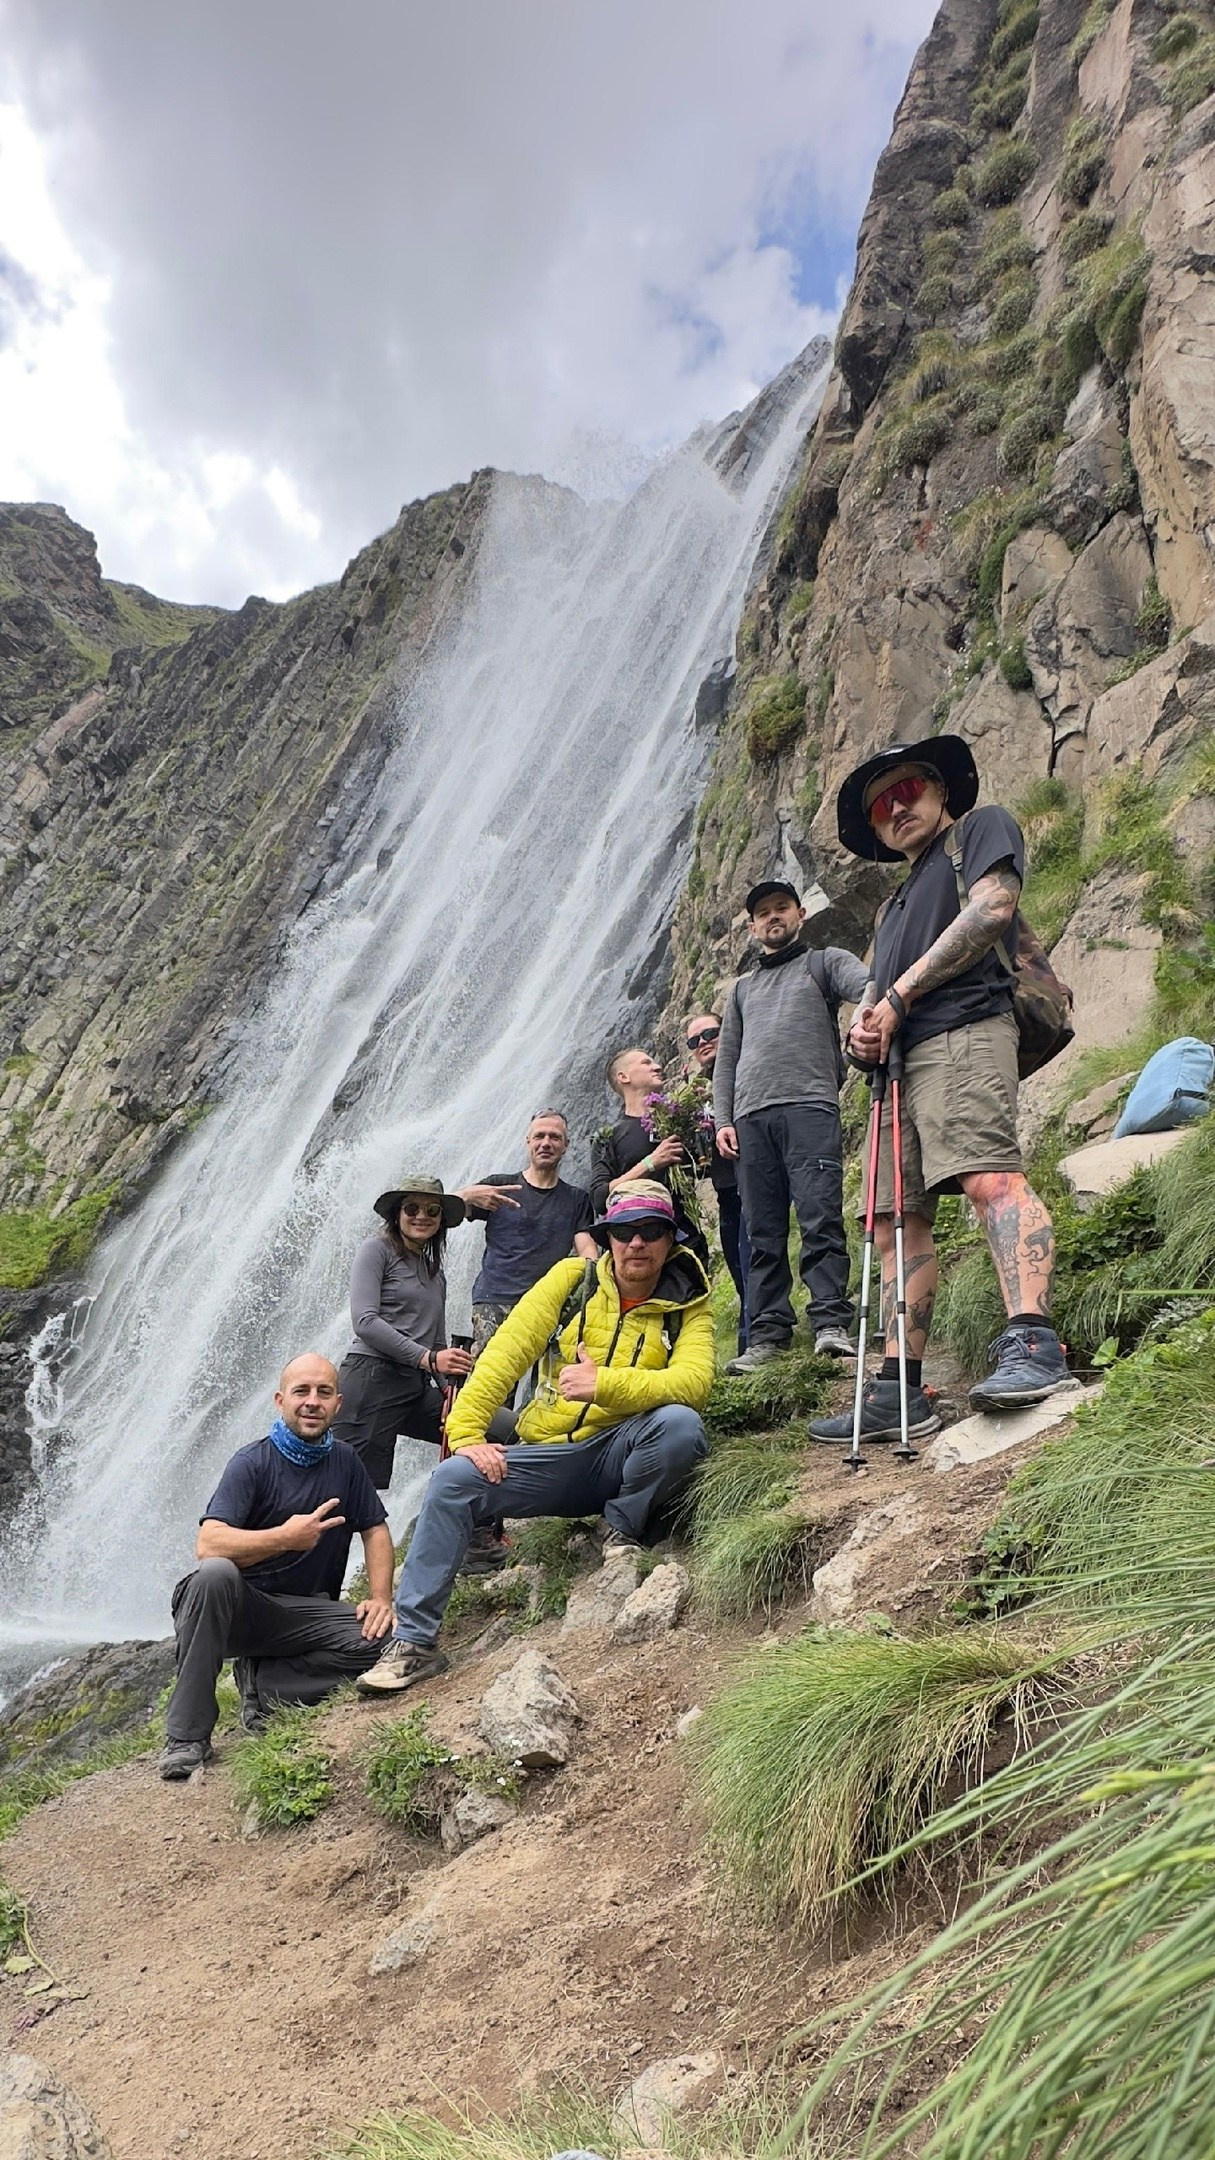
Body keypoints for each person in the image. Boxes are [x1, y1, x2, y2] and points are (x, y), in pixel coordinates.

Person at [809, 734, 1070, 1445]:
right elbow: (872, 996)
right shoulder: (890, 907)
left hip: (964, 1029)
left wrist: (896, 996)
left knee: (989, 1177)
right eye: (880, 806)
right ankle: (899, 1387)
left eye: (907, 790)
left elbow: (992, 910)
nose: (896, 809)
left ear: (940, 789)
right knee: (893, 1223)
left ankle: (1033, 1342)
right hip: (895, 1070)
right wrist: (861, 1033)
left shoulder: (979, 831)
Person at [356, 1183, 714, 1693]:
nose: (637, 1242)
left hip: (626, 1450)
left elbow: (696, 1382)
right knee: (453, 1479)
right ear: (607, 1238)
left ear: (670, 1239)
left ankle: (620, 1529)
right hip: (553, 1457)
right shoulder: (572, 1280)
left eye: (651, 1230)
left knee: (680, 1425)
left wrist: (603, 1384)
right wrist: (467, 1435)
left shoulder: (688, 1300)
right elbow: (506, 1353)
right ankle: (414, 1643)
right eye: (624, 1231)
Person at [159, 1353, 393, 1779]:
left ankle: (266, 1686)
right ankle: (187, 1738)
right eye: (301, 1391)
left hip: (304, 1614)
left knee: (391, 1640)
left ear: (338, 1404)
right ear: (280, 1400)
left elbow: (375, 1529)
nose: (312, 1401)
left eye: (323, 1392)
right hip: (236, 1612)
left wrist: (380, 1598)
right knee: (214, 1574)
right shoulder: (251, 1462)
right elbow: (209, 1544)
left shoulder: (346, 1461)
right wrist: (285, 1538)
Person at [712, 881, 868, 1371]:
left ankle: (830, 1323)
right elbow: (726, 1060)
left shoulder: (825, 962)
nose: (773, 917)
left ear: (800, 913)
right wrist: (723, 1119)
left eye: (781, 907)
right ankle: (767, 1337)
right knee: (762, 1231)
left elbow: (870, 989)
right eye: (763, 912)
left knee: (820, 1215)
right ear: (752, 927)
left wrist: (863, 1026)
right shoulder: (741, 990)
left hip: (809, 1106)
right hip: (750, 1118)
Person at [464, 1109, 598, 1363]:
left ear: (566, 1145)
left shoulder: (577, 1199)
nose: (546, 1143)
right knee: (490, 1375)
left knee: (548, 1380)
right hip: (495, 1300)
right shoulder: (499, 1186)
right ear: (528, 1142)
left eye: (554, 1137)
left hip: (546, 1304)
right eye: (539, 1136)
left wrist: (596, 1278)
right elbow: (446, 1212)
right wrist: (467, 1195)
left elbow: (587, 1249)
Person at [591, 1049, 709, 1266]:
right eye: (646, 1063)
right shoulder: (608, 1137)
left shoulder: (678, 1120)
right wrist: (650, 1163)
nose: (657, 1066)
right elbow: (599, 1199)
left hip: (686, 1241)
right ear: (623, 1077)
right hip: (637, 1248)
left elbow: (705, 1167)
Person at [684, 1012, 750, 1353]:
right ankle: (750, 1339)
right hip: (726, 1189)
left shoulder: (746, 1070)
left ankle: (753, 1339)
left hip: (756, 1180)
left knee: (753, 1258)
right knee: (738, 1264)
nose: (703, 1043)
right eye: (694, 1040)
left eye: (710, 1033)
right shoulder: (695, 1096)